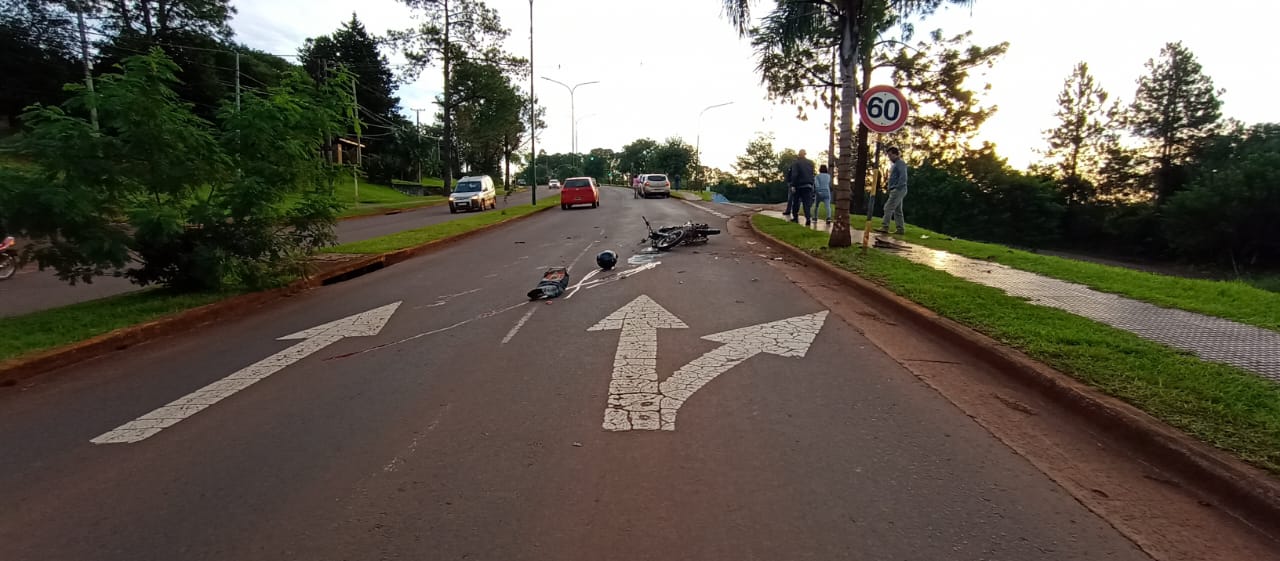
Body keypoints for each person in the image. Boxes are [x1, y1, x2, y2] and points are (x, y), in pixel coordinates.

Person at [877, 146, 908, 235]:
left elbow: (903, 176)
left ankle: (885, 227)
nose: (889, 157)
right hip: (896, 189)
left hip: (898, 189)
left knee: (888, 207)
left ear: (896, 154)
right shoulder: (895, 164)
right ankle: (900, 229)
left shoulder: (900, 163)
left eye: (890, 155)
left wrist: (897, 187)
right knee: (898, 210)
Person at [785, 149, 817, 226]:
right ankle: (808, 218)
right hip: (808, 185)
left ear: (799, 155)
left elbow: (794, 175)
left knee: (796, 202)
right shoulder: (811, 163)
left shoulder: (796, 163)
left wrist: (793, 185)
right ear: (805, 154)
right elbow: (812, 174)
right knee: (807, 204)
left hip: (799, 185)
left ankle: (795, 218)